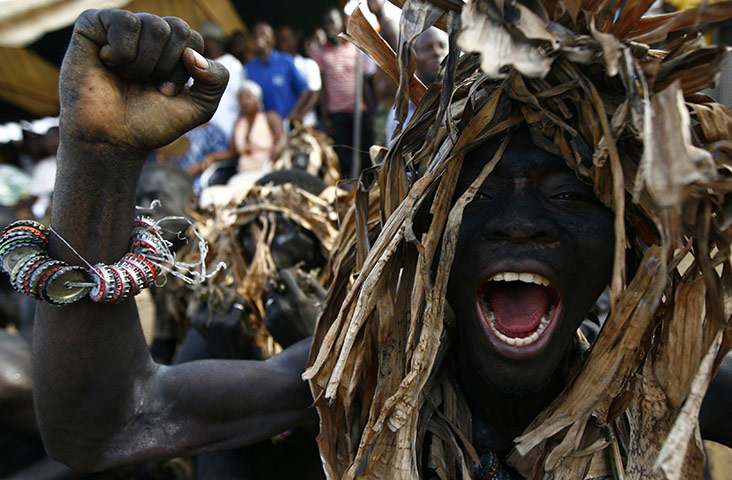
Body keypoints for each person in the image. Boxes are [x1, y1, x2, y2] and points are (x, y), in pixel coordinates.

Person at [20, 7, 732, 480]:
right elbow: (104, 424)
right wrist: (99, 157)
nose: (523, 223)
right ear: (418, 229)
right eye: (476, 191)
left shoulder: (678, 396)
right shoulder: (348, 381)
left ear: (624, 235)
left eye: (569, 195)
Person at [311, 7, 376, 178]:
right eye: (325, 24)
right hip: (336, 114)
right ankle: (348, 193)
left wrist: (371, 111)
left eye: (332, 22)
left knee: (365, 155)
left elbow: (365, 84)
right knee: (343, 158)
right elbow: (322, 88)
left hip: (358, 112)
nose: (329, 27)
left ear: (341, 22)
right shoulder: (319, 53)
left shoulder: (356, 49)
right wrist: (325, 118)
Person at [202, 80, 284, 185]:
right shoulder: (239, 124)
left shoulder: (270, 117)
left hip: (266, 172)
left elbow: (281, 142)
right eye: (241, 98)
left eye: (248, 97)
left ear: (258, 99)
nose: (244, 101)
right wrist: (212, 157)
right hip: (243, 173)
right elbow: (232, 153)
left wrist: (276, 151)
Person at [245, 22, 313, 127]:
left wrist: (294, 114)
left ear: (272, 40)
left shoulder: (285, 61)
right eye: (255, 34)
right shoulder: (249, 67)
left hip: (288, 124)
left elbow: (304, 90)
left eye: (263, 33)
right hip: (265, 128)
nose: (258, 36)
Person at [199, 20, 245, 142]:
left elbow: (240, 99)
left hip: (225, 130)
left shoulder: (232, 64)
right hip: (199, 130)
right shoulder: (197, 63)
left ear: (212, 40)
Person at [275, 26, 322, 128]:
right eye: (280, 39)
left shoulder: (309, 64)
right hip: (281, 125)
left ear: (294, 40)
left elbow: (314, 94)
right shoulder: (274, 67)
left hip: (306, 123)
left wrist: (298, 115)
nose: (282, 42)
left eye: (285, 38)